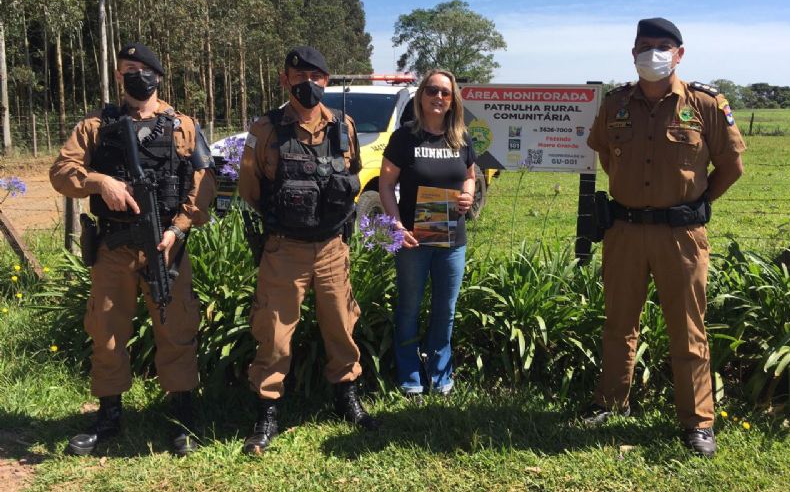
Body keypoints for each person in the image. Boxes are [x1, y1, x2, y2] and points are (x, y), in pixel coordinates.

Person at [584, 18, 745, 457]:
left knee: (688, 329)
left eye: (661, 46)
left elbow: (732, 165)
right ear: (632, 52)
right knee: (619, 323)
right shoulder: (615, 105)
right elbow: (605, 154)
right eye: (643, 46)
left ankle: (698, 422)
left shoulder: (706, 104)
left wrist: (701, 200)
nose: (651, 53)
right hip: (625, 232)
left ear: (679, 53)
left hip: (682, 235)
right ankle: (611, 403)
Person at [50, 42, 217, 456]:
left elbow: (204, 181)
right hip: (113, 246)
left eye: (143, 69)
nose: (135, 76)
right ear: (119, 76)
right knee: (106, 331)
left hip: (165, 246)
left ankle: (181, 415)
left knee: (176, 328)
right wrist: (99, 182)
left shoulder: (183, 126)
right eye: (127, 69)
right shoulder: (95, 126)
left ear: (158, 76)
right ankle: (108, 416)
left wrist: (178, 228)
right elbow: (61, 172)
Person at [237, 45, 378, 454]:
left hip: (332, 247)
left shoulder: (343, 126)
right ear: (285, 80)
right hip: (285, 250)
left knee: (341, 327)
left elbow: (350, 178)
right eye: (298, 78)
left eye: (315, 77)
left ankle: (347, 399)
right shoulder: (266, 130)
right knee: (275, 335)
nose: (307, 84)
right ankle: (267, 414)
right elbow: (250, 190)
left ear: (326, 81)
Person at [378, 69, 477, 396]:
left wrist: (467, 192)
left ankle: (440, 372)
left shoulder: (461, 137)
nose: (438, 97)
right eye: (432, 90)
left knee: (445, 309)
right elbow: (386, 183)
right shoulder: (405, 137)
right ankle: (409, 374)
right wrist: (396, 226)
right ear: (421, 95)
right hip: (413, 239)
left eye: (445, 93)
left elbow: (469, 176)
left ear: (453, 100)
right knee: (409, 306)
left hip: (452, 241)